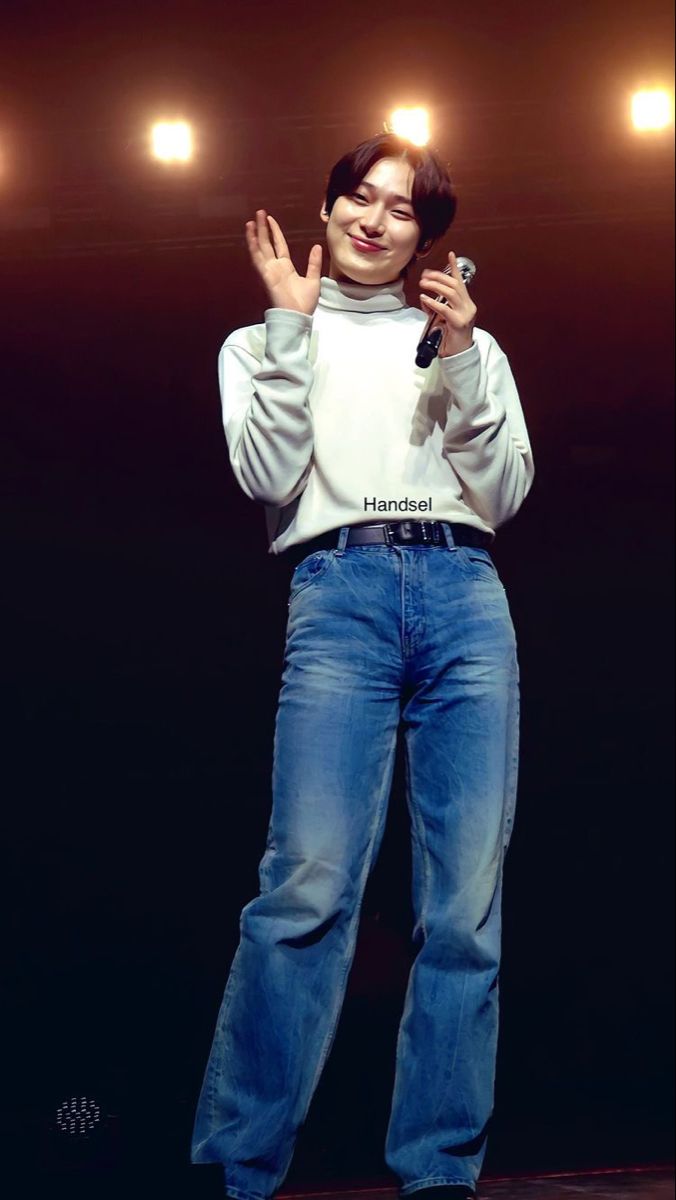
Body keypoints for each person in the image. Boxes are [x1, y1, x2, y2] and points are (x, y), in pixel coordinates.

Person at [190, 131, 535, 1200]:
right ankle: (237, 1169)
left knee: (462, 909)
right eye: (357, 196)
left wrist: (466, 356)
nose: (372, 217)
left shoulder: (462, 339)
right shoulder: (259, 340)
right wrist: (292, 328)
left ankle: (438, 1173)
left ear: (429, 237)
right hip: (338, 592)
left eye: (399, 207)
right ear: (330, 206)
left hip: (463, 596)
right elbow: (269, 472)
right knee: (306, 889)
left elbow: (506, 492)